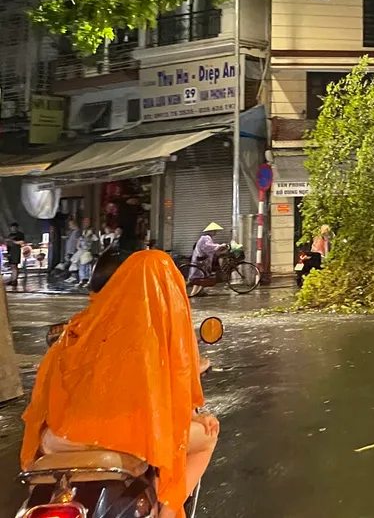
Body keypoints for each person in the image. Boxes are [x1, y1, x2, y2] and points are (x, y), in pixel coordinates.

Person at [22, 250, 218, 518]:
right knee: (206, 435)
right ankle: (168, 512)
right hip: (121, 438)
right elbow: (162, 403)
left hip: (58, 440)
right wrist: (197, 416)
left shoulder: (78, 328)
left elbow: (46, 393)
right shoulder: (147, 334)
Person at [6, 222, 25, 290]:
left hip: (16, 251)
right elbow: (8, 244)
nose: (13, 229)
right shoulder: (10, 235)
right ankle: (13, 279)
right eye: (11, 228)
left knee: (14, 265)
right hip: (10, 251)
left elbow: (22, 242)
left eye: (14, 228)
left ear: (16, 228)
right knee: (12, 266)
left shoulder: (20, 234)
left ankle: (14, 280)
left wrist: (12, 241)